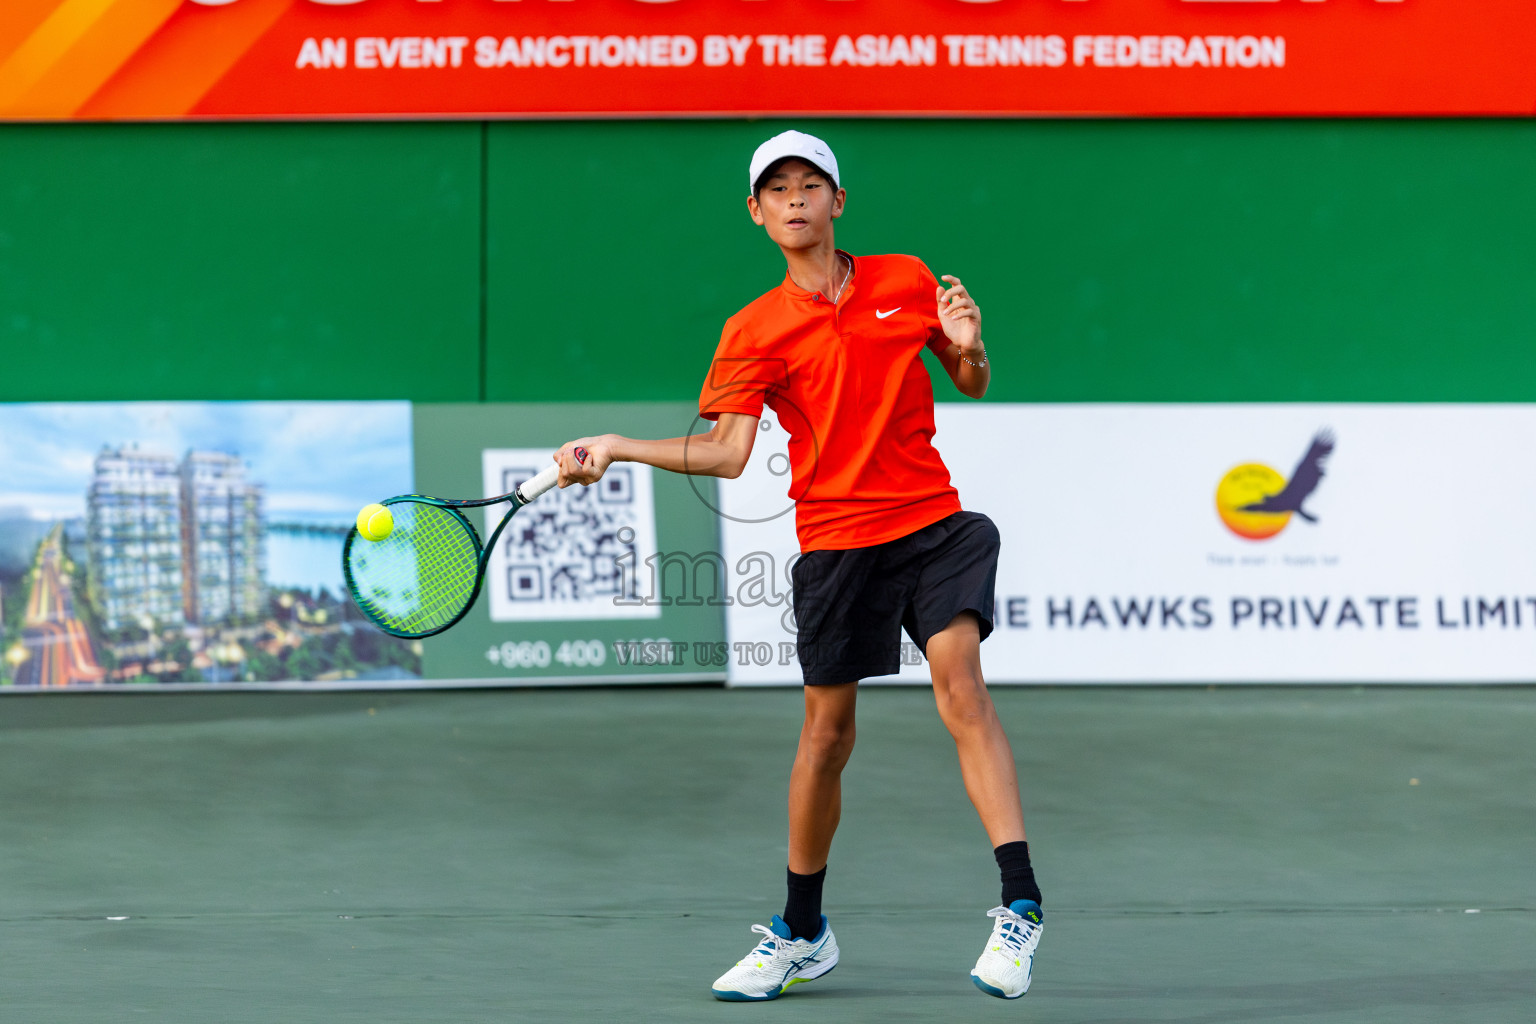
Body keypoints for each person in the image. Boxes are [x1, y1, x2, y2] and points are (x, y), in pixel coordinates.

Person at [552, 130, 1043, 1002]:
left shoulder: (906, 279)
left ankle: (1020, 905)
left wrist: (968, 344)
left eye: (809, 184)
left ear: (837, 201)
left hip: (933, 525)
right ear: (757, 212)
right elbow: (727, 454)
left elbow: (971, 381)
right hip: (835, 544)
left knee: (959, 683)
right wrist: (621, 446)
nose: (793, 199)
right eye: (775, 189)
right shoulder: (752, 328)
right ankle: (802, 929)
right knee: (827, 739)